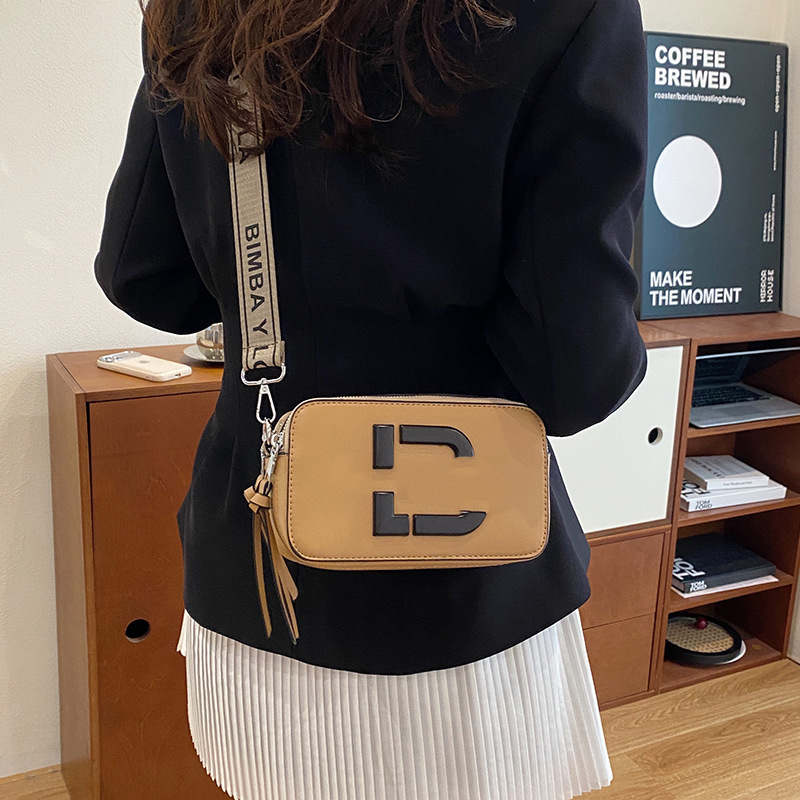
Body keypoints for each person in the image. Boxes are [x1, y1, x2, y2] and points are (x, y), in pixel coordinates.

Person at [94, 0, 649, 797]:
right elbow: (576, 378)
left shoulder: (198, 10)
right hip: (472, 607)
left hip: (260, 586)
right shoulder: (568, 9)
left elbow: (145, 278)